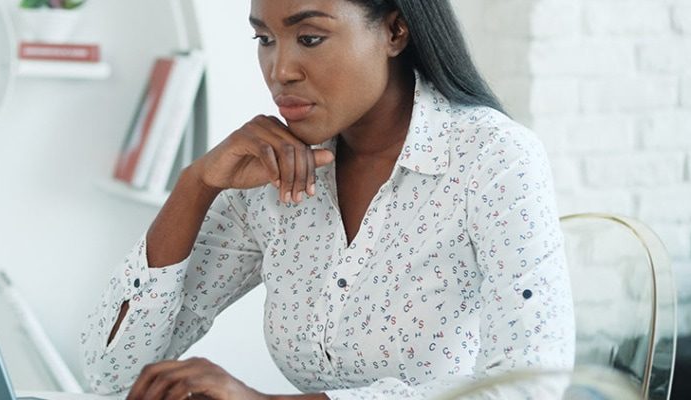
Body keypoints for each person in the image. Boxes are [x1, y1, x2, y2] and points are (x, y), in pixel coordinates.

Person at [81, 0, 575, 398]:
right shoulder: (273, 175)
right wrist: (196, 184)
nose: (280, 71)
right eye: (264, 40)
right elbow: (114, 375)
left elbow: (529, 384)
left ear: (395, 31)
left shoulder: (492, 159)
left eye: (310, 38)